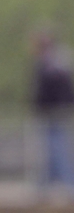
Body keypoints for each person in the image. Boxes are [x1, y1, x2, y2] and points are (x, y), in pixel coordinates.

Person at [32, 28, 74, 193]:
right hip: (51, 111)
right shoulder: (51, 62)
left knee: (56, 148)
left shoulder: (53, 64)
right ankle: (43, 186)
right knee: (51, 149)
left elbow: (54, 90)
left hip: (54, 112)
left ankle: (68, 184)